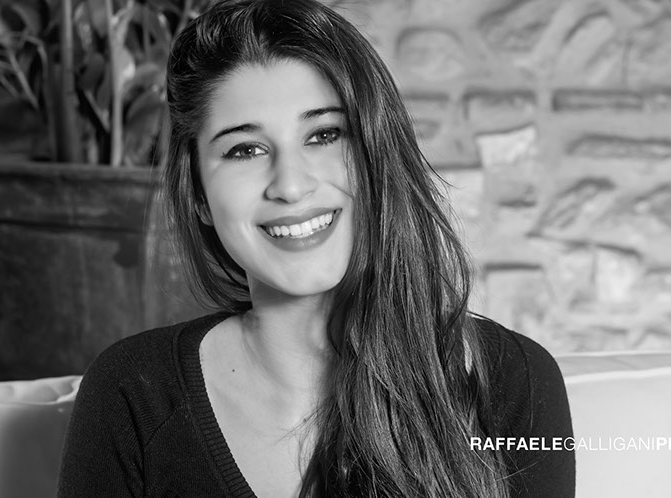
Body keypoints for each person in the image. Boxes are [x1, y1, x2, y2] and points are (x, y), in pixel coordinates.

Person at [57, 0, 575, 496]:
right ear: (198, 194)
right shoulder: (132, 395)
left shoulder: (513, 381)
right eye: (245, 149)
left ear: (377, 152)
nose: (290, 185)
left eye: (324, 135)